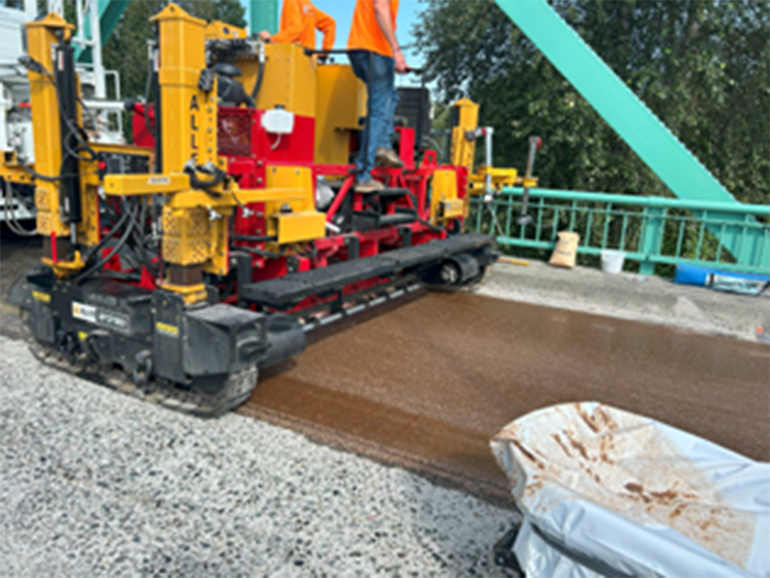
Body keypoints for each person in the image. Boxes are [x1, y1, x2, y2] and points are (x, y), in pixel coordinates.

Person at [347, 0, 409, 192]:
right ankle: (364, 174)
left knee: (391, 96)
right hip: (375, 51)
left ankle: (382, 144)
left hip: (358, 49)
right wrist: (396, 51)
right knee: (378, 110)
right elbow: (380, 7)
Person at [259, 0, 336, 53]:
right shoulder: (307, 4)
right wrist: (325, 52)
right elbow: (330, 24)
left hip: (295, 59)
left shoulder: (291, 1)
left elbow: (296, 28)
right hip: (309, 60)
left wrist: (272, 40)